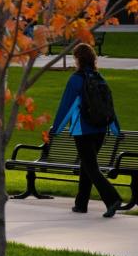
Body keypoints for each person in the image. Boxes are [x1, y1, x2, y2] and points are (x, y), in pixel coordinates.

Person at [51, 42, 122, 217]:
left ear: (77, 59)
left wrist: (56, 129)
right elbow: (109, 107)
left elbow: (66, 107)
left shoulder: (76, 79)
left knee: (91, 167)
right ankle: (81, 204)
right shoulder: (99, 78)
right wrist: (116, 129)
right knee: (87, 166)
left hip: (83, 131)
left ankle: (112, 198)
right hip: (100, 130)